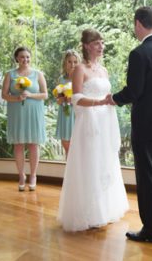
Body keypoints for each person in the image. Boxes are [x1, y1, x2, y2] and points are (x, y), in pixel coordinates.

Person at [106, 6, 152, 243]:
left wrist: (114, 99)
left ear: (139, 23)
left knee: (148, 179)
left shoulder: (139, 53)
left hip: (148, 126)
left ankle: (150, 229)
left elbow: (134, 91)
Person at [57, 29, 128, 232]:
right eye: (97, 43)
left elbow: (107, 94)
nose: (101, 46)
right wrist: (99, 102)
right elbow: (76, 98)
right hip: (89, 122)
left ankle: (104, 209)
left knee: (104, 163)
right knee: (90, 163)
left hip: (105, 121)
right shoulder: (80, 69)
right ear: (87, 46)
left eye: (102, 43)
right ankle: (88, 212)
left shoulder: (103, 70)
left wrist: (111, 100)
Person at [2, 46, 48, 191]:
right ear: (17, 58)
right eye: (22, 57)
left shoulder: (38, 74)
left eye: (27, 57)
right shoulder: (10, 74)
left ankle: (33, 175)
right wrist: (17, 97)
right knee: (18, 145)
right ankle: (22, 175)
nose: (25, 60)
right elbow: (4, 95)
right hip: (17, 112)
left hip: (34, 112)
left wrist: (30, 95)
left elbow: (45, 94)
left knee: (34, 144)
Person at [55, 49, 81, 157]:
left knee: (78, 146)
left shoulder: (81, 78)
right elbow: (58, 98)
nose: (72, 64)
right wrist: (61, 100)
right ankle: (70, 172)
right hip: (65, 113)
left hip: (77, 113)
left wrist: (73, 99)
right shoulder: (61, 79)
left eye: (75, 62)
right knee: (66, 144)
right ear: (65, 63)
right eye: (69, 62)